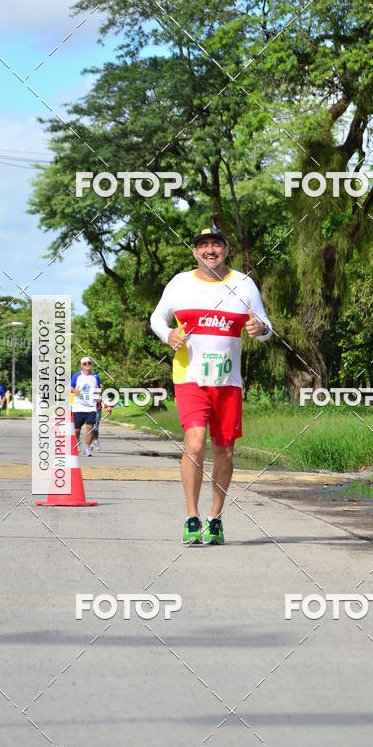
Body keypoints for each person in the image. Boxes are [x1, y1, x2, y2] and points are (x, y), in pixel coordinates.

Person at [150, 225, 272, 546]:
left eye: (215, 245)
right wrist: (169, 335)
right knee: (195, 444)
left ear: (226, 250)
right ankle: (192, 516)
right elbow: (156, 319)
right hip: (190, 377)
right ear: (194, 252)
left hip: (228, 382)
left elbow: (266, 325)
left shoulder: (244, 284)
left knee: (225, 451)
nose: (209, 250)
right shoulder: (180, 283)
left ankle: (214, 519)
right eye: (203, 245)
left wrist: (260, 328)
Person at [71, 357, 101, 457]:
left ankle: (87, 449)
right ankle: (78, 441)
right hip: (78, 406)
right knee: (76, 430)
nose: (87, 365)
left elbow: (98, 390)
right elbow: (69, 386)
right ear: (81, 365)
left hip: (91, 407)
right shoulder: (76, 376)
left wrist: (98, 396)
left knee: (90, 428)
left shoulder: (95, 377)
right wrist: (74, 391)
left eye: (89, 363)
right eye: (85, 363)